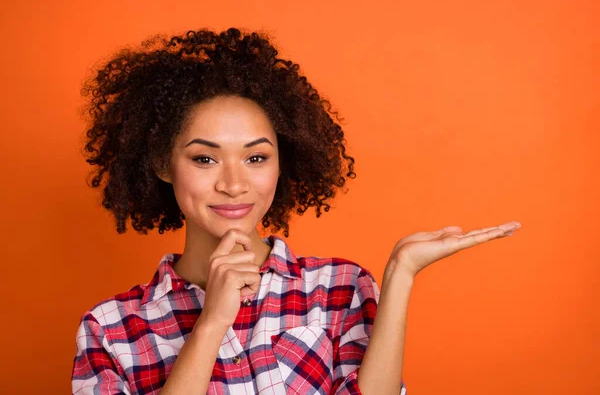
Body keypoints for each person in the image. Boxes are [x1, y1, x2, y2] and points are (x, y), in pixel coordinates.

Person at [71, 27, 521, 395]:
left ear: (282, 163)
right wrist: (211, 324)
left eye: (256, 158)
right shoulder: (110, 330)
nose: (233, 183)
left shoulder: (339, 289)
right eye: (205, 158)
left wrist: (401, 272)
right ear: (161, 165)